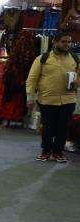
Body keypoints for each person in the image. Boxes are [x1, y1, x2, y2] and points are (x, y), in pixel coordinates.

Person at [27, 32, 80, 162]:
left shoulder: (75, 58)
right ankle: (46, 151)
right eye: (63, 41)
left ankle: (58, 152)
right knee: (48, 127)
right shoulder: (43, 58)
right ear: (54, 42)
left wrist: (78, 81)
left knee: (63, 127)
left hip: (68, 99)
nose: (67, 44)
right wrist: (30, 98)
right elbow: (32, 79)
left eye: (69, 42)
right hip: (47, 99)